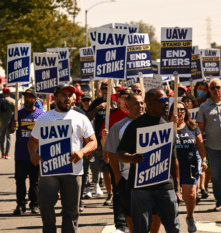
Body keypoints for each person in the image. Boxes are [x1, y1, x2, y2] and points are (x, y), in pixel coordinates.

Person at [28, 83, 97, 233]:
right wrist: (33, 154)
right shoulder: (44, 118)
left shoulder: (81, 118)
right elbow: (33, 141)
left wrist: (82, 152)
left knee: (71, 210)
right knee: (45, 204)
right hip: (49, 170)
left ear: (74, 98)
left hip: (73, 170)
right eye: (63, 95)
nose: (67, 98)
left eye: (70, 95)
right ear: (55, 98)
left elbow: (93, 142)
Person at [116, 89, 181, 233]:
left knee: (174, 226)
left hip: (165, 186)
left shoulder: (168, 127)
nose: (166, 104)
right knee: (141, 228)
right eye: (163, 101)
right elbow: (119, 153)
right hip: (141, 187)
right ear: (150, 104)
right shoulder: (135, 125)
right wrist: (131, 158)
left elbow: (173, 160)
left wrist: (177, 188)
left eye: (167, 101)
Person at [197, 78, 221, 211]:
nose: (216, 90)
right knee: (216, 175)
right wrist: (200, 146)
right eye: (212, 88)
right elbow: (200, 129)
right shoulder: (204, 107)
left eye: (218, 87)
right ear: (209, 90)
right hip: (213, 147)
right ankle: (220, 201)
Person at [168, 101, 207, 232]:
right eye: (176, 109)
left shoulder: (193, 127)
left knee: (191, 195)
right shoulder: (166, 127)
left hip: (190, 166)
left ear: (186, 112)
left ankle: (190, 217)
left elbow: (200, 145)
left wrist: (204, 160)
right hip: (171, 169)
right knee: (175, 198)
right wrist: (171, 125)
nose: (180, 112)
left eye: (182, 110)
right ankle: (174, 221)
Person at [9, 88, 44, 215]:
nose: (27, 99)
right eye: (25, 97)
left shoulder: (41, 115)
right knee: (20, 181)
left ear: (35, 99)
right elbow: (10, 131)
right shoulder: (18, 114)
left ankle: (34, 205)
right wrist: (13, 127)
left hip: (35, 154)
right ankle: (20, 205)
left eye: (30, 97)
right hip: (20, 154)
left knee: (35, 182)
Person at [87, 80, 114, 198]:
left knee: (115, 168)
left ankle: (118, 192)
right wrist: (97, 108)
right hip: (100, 141)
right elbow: (87, 117)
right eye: (102, 88)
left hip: (114, 140)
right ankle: (110, 194)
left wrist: (114, 109)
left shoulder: (116, 101)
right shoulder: (96, 102)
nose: (104, 90)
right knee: (104, 168)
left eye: (106, 87)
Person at [0, 86, 15, 159]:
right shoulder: (12, 101)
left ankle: (2, 153)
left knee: (1, 138)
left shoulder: (0, 100)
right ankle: (7, 154)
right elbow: (16, 111)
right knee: (9, 138)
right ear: (8, 92)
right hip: (9, 122)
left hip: (1, 123)